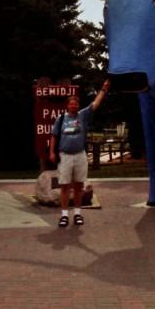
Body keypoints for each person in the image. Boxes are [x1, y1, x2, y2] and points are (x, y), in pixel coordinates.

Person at [49, 81, 110, 227]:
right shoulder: (61, 119)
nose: (73, 106)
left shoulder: (83, 116)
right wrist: (52, 152)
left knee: (78, 186)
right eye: (71, 104)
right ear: (67, 105)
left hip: (80, 155)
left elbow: (96, 103)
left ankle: (77, 214)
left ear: (78, 105)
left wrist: (103, 89)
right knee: (64, 186)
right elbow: (54, 136)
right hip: (65, 156)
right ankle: (64, 216)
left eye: (76, 104)